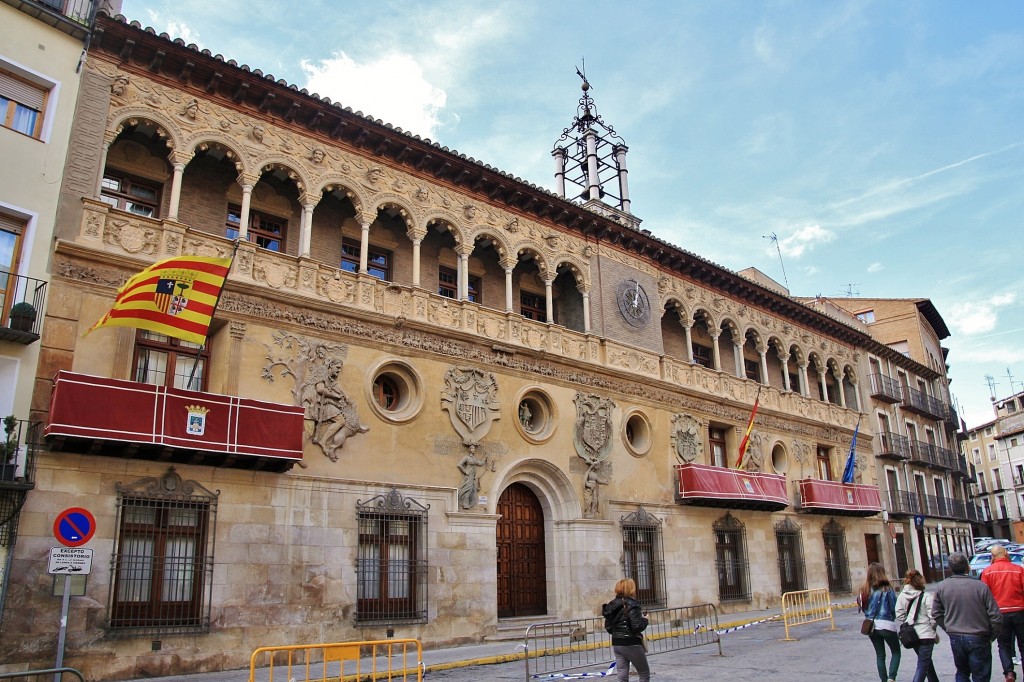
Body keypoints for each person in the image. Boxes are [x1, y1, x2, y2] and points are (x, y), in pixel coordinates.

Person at [934, 551, 1002, 682]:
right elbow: (995, 616)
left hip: (956, 635)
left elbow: (936, 613)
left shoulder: (942, 586)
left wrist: (948, 627)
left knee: (962, 671)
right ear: (968, 567)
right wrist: (991, 636)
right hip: (978, 635)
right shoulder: (980, 586)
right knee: (980, 674)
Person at [981, 544, 1024, 682]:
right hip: (1020, 611)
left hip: (999, 614)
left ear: (992, 557)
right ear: (1006, 553)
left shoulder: (987, 572)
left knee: (1003, 645)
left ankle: (1009, 673)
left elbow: (984, 596)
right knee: (1023, 644)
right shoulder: (1018, 570)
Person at [896, 569, 940, 682]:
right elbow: (933, 617)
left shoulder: (902, 596)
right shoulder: (926, 596)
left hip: (912, 635)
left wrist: (908, 621)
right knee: (923, 665)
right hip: (926, 634)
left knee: (926, 661)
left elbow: (899, 614)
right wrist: (932, 628)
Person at [602, 578, 650, 682]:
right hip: (631, 643)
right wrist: (645, 620)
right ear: (630, 589)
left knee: (622, 676)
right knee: (644, 673)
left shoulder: (611, 605)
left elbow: (608, 627)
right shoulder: (633, 604)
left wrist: (618, 632)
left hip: (617, 643)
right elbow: (637, 626)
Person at [862, 562, 901, 682]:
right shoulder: (887, 589)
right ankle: (891, 677)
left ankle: (884, 680)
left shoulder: (865, 589)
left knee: (880, 655)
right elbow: (894, 606)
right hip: (886, 624)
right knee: (896, 651)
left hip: (871, 626)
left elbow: (863, 607)